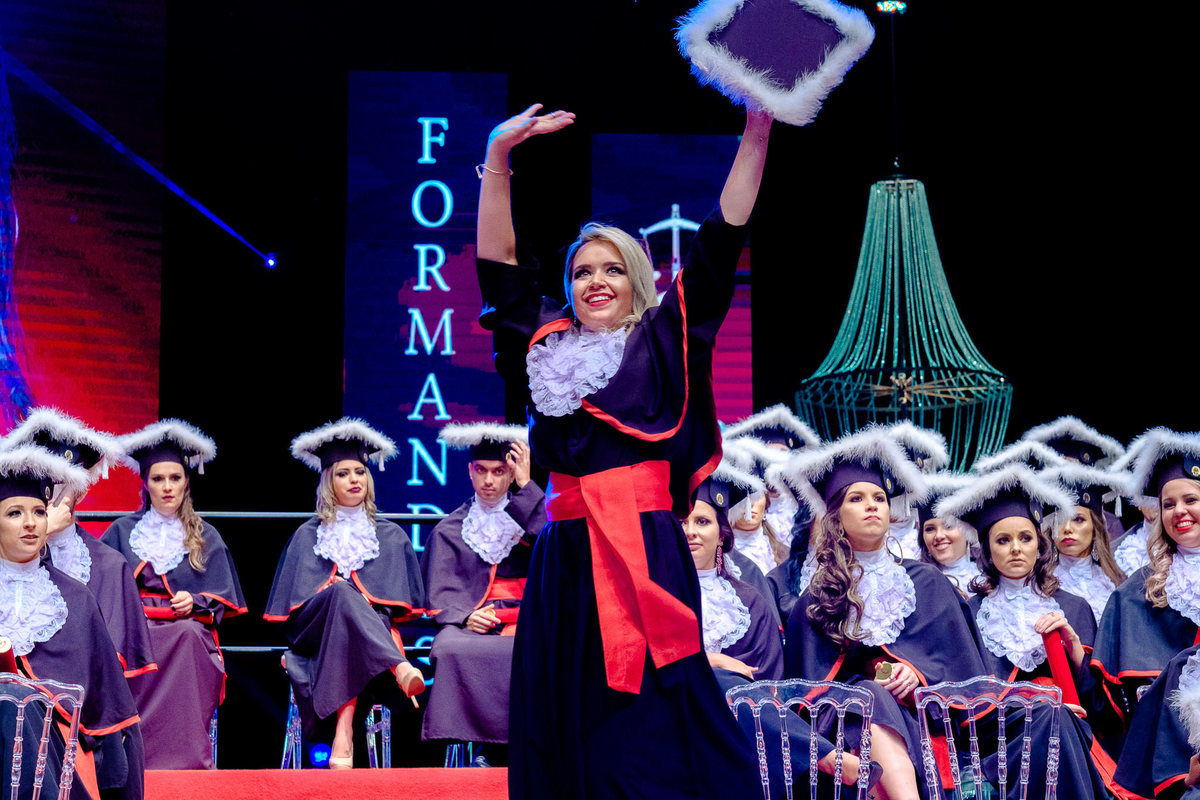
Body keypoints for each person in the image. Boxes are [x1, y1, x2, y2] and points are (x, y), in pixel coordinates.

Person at [476, 102, 770, 798]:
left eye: (612, 269)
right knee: (567, 716)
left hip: (647, 547)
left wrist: (758, 128)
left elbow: (722, 236)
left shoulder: (664, 338)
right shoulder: (545, 351)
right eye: (581, 272)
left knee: (653, 719)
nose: (596, 281)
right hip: (566, 556)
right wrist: (496, 154)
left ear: (635, 279)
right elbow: (499, 268)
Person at [781, 426, 982, 800]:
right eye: (857, 498)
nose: (873, 504)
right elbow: (806, 693)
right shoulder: (815, 596)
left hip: (921, 716)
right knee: (869, 696)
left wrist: (917, 674)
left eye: (879, 497)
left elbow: (963, 670)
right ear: (836, 515)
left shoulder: (926, 581)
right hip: (842, 727)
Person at [684, 469, 877, 797]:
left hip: (738, 725)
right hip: (674, 710)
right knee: (712, 678)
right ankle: (821, 753)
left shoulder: (747, 601)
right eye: (681, 523)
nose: (690, 532)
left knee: (739, 696)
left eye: (703, 522)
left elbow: (769, 683)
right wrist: (709, 661)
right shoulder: (651, 596)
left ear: (721, 534)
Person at [936, 465, 1115, 798]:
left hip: (1067, 725)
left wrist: (1074, 645)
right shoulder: (971, 612)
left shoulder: (1073, 607)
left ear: (1040, 545)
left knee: (1056, 715)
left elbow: (1094, 702)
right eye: (1003, 540)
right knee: (1050, 711)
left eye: (1025, 538)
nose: (1016, 548)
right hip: (998, 736)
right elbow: (967, 697)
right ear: (987, 551)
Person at [2, 409, 154, 800]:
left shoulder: (72, 597)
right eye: (15, 513)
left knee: (19, 703)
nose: (32, 523)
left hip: (50, 750)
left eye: (38, 511)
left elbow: (109, 711)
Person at [264, 418, 425, 769]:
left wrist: (361, 599)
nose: (354, 479)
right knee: (340, 595)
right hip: (312, 629)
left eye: (360, 472)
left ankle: (344, 731)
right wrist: (329, 588)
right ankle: (398, 667)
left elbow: (400, 608)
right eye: (343, 473)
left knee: (348, 610)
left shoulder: (392, 534)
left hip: (361, 634)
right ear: (328, 481)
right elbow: (289, 612)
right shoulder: (308, 534)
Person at [101, 420, 246, 770]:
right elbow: (102, 587)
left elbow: (222, 595)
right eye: (158, 479)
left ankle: (184, 760)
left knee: (188, 636)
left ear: (186, 482)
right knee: (122, 646)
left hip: (184, 628)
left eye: (175, 478)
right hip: (135, 630)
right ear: (145, 484)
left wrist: (194, 602)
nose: (167, 487)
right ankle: (130, 757)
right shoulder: (122, 531)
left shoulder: (205, 535)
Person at [420, 423, 546, 759]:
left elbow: (554, 548)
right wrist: (465, 615)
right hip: (472, 621)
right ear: (470, 472)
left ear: (511, 472)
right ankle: (475, 747)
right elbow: (439, 593)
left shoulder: (530, 516)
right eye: (481, 470)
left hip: (524, 617)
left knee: (531, 649)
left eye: (499, 471)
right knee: (449, 650)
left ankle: (519, 751)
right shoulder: (449, 528)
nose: (489, 480)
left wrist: (527, 487)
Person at [1093, 428, 1200, 790]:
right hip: (1174, 742)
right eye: (1168, 505)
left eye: (1191, 500)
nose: (1179, 512)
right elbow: (1129, 697)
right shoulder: (1138, 588)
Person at [1043, 463, 1128, 622]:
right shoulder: (1040, 583)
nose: (1067, 528)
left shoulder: (1113, 581)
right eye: (1060, 520)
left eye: (1078, 520)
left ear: (1095, 528)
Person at [912, 473, 980, 596]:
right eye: (930, 529)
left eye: (949, 526)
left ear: (968, 531)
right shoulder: (915, 583)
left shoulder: (989, 581)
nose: (939, 536)